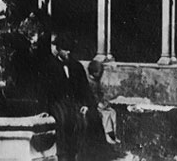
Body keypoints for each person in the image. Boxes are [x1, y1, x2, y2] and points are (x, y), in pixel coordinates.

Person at [40, 33, 94, 161]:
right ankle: (63, 155)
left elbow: (84, 88)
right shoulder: (49, 67)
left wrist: (85, 104)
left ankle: (77, 154)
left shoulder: (77, 66)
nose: (68, 52)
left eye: (69, 49)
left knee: (82, 121)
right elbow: (44, 91)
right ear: (58, 50)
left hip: (74, 102)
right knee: (63, 119)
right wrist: (44, 109)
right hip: (57, 102)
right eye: (65, 49)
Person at [87, 60, 119, 145]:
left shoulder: (96, 81)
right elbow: (90, 97)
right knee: (105, 115)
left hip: (99, 103)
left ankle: (114, 134)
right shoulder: (89, 82)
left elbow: (100, 94)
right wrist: (98, 104)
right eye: (100, 73)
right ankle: (107, 135)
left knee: (112, 112)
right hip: (93, 105)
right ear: (94, 72)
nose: (101, 75)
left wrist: (104, 102)